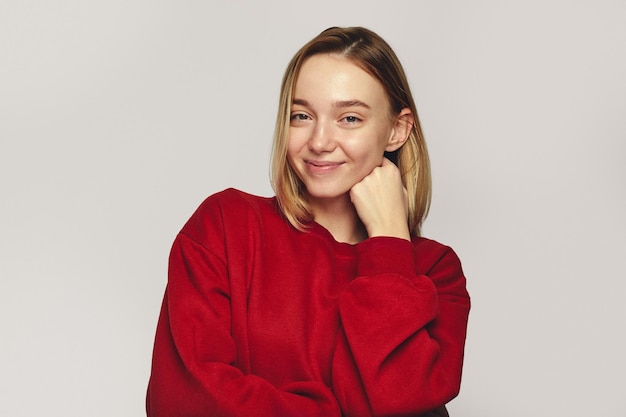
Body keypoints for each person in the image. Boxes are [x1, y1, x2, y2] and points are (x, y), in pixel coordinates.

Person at [146, 26, 470, 417]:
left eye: (349, 118)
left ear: (396, 130)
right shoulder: (225, 227)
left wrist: (388, 243)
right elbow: (183, 401)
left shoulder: (436, 272)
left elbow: (399, 400)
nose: (318, 141)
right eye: (301, 116)